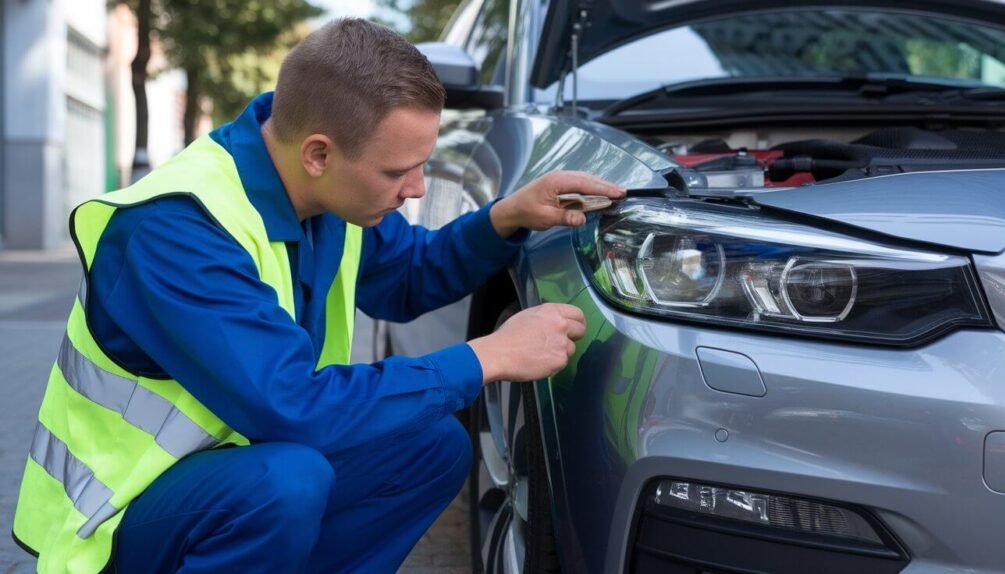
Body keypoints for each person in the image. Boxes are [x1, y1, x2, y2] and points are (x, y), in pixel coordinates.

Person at [12, 17, 624, 574]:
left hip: (232, 477)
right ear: (319, 154)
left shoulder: (324, 197)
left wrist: (507, 217)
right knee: (290, 480)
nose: (415, 189)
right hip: (119, 522)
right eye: (397, 171)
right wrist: (485, 357)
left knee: (431, 446)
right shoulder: (175, 231)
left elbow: (410, 275)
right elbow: (292, 405)